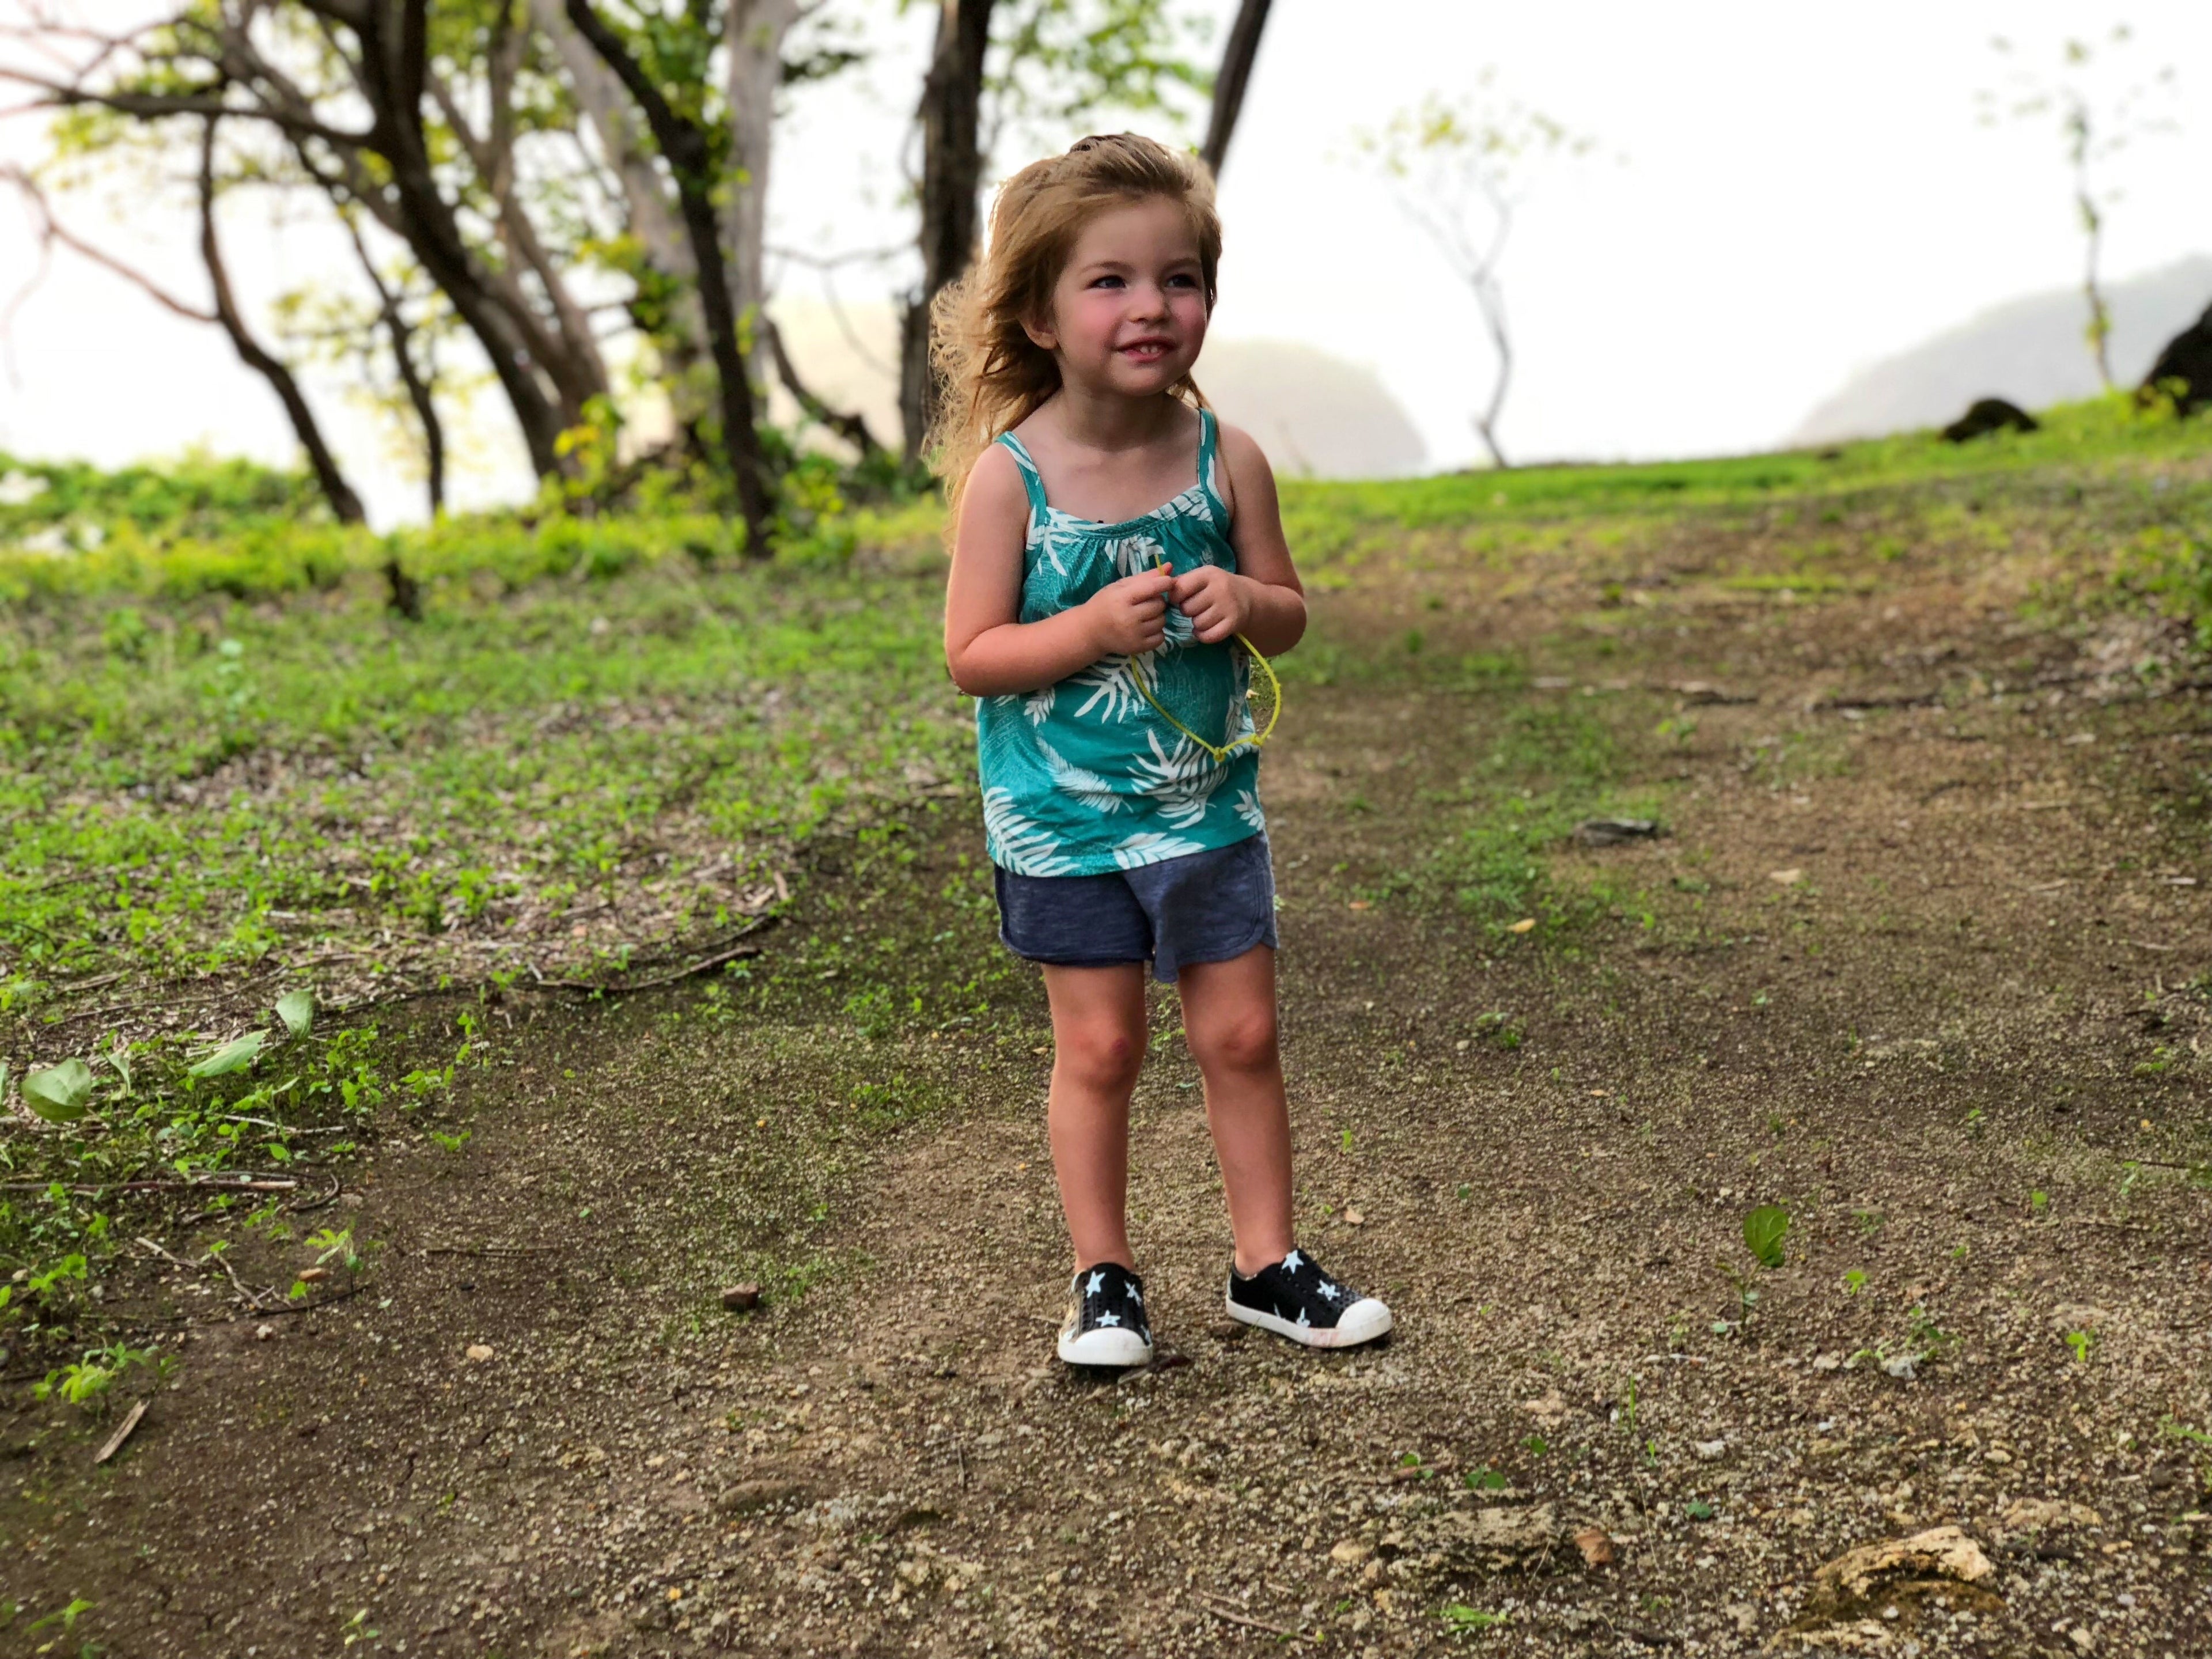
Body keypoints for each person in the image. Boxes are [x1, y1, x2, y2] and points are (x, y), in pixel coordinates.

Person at [934, 132, 1393, 1368]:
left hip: (1206, 811)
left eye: (1179, 279)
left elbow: (1288, 615)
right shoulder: (1010, 481)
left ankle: (1266, 1263)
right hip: (1061, 824)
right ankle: (1105, 1278)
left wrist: (1246, 601)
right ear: (1039, 315)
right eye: (1111, 281)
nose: (1152, 306)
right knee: (1100, 1048)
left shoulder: (1223, 459)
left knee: (1240, 1037)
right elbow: (973, 653)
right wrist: (1085, 629)